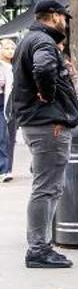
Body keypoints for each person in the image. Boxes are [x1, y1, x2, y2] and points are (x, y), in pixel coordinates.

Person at [10, 0, 78, 269]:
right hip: (48, 125)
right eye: (63, 16)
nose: (65, 22)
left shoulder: (30, 39)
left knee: (47, 186)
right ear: (53, 16)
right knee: (47, 188)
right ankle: (38, 249)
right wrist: (49, 95)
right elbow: (43, 67)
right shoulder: (42, 41)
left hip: (39, 124)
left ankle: (41, 246)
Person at [0, 36, 16, 182]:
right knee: (2, 136)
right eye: (6, 48)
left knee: (9, 137)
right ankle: (4, 169)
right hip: (2, 101)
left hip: (11, 103)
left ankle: (7, 169)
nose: (10, 51)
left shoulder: (15, 67)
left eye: (12, 48)